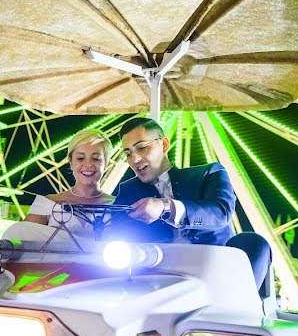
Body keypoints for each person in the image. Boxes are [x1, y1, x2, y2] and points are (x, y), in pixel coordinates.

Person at [113, 117, 272, 292]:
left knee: (255, 242)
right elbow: (116, 231)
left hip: (215, 270)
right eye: (128, 153)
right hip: (159, 276)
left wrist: (166, 207)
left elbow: (220, 213)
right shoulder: (128, 191)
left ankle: (240, 306)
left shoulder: (209, 173)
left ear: (164, 145)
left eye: (142, 147)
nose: (134, 159)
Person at [24, 129, 114, 238]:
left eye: (96, 158)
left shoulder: (118, 205)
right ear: (70, 162)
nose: (88, 164)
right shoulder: (48, 204)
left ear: (106, 163)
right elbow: (20, 244)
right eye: (80, 158)